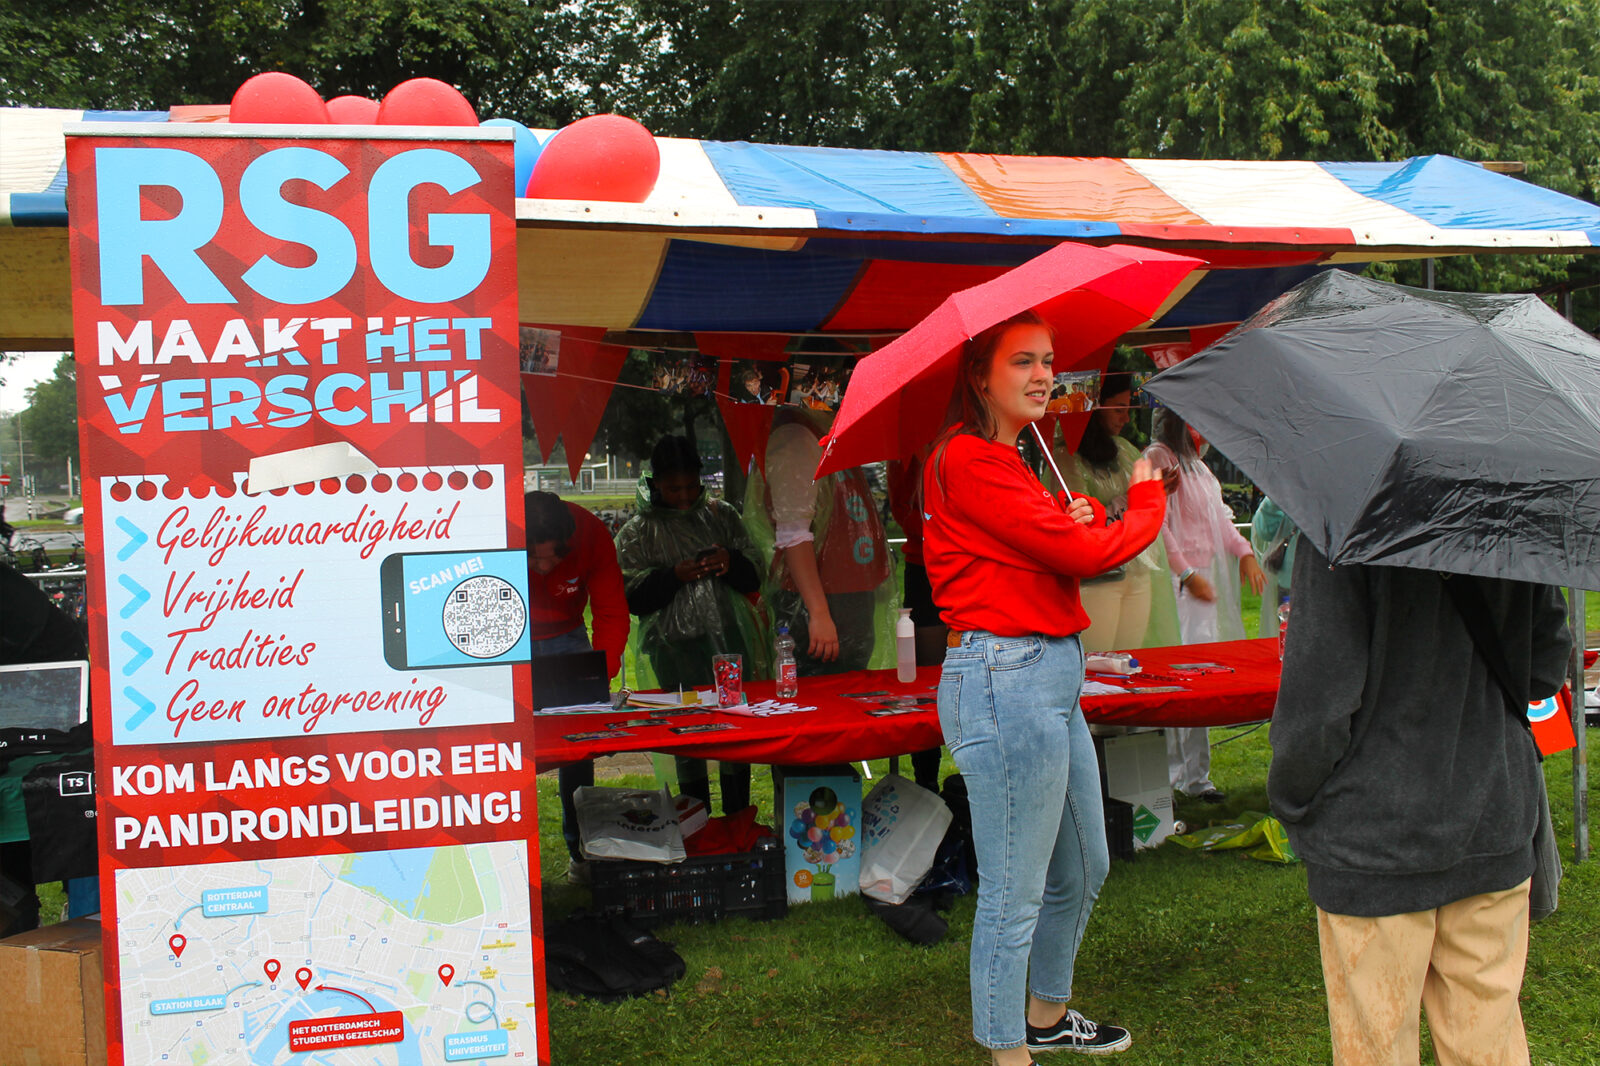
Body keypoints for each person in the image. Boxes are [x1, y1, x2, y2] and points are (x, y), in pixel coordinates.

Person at [923, 310, 1166, 1062]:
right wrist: (1143, 503)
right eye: (1022, 361)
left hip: (1045, 674)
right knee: (1014, 888)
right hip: (1006, 680)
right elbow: (1083, 555)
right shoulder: (970, 459)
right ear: (979, 377)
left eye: (1048, 360)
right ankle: (1009, 1051)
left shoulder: (1011, 460)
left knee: (1086, 862)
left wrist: (1074, 517)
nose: (1042, 376)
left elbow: (1048, 550)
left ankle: (1046, 1015)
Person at [1269, 542, 1571, 1066]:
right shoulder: (1509, 517)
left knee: (1375, 1046)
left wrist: (1293, 797)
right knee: (1488, 1042)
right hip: (1488, 806)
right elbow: (1545, 667)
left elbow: (1317, 701)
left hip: (1375, 830)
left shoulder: (1343, 526)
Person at [614, 436, 766, 816]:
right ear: (655, 484)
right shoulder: (638, 531)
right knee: (687, 735)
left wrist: (730, 561)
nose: (684, 497)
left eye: (690, 487)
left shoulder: (722, 516)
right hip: (673, 649)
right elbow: (631, 597)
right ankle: (696, 821)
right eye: (673, 489)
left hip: (729, 642)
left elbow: (755, 575)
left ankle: (738, 819)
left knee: (733, 730)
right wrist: (673, 576)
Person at [1144, 408, 1265, 802]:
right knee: (1175, 677)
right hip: (1177, 584)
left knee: (1200, 677)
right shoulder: (1157, 458)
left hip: (1204, 580)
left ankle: (1197, 776)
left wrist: (1244, 552)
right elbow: (1157, 524)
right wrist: (1185, 573)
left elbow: (1221, 521)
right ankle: (1171, 774)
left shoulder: (1200, 468)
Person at [525, 491, 629, 881]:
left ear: (569, 541)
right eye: (533, 558)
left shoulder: (591, 533)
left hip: (568, 635)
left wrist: (600, 674)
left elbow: (610, 610)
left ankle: (582, 854)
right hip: (509, 635)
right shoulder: (498, 530)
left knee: (578, 747)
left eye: (552, 558)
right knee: (504, 746)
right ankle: (508, 851)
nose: (543, 567)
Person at [747, 405, 894, 676]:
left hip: (845, 598)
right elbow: (793, 534)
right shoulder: (795, 436)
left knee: (851, 685)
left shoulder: (824, 428)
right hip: (818, 602)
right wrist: (819, 612)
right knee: (822, 687)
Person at [1051, 372, 1180, 652]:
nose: (1126, 418)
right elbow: (1078, 518)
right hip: (1099, 579)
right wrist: (1136, 497)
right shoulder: (1066, 456)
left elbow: (1139, 496)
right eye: (1118, 409)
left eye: (1127, 409)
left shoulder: (1125, 449)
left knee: (1127, 660)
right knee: (1097, 661)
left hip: (1136, 567)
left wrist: (1156, 490)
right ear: (1096, 408)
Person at [1249, 496, 1299, 637]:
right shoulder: (1292, 488)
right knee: (1289, 640)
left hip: (1332, 581)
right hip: (1289, 581)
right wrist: (1274, 498)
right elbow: (1265, 531)